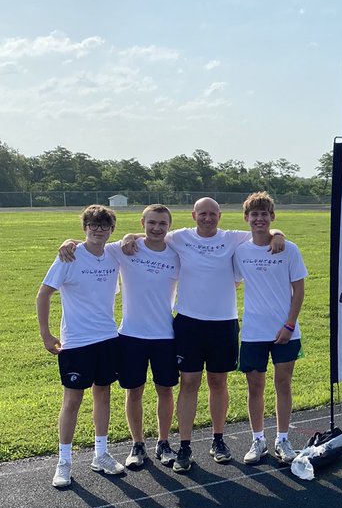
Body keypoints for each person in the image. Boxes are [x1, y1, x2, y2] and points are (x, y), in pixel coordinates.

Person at [120, 197, 283, 472]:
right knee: (189, 383)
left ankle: (218, 440)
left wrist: (279, 234)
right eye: (202, 214)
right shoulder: (180, 237)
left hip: (223, 323)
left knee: (218, 382)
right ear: (194, 215)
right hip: (188, 323)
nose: (207, 218)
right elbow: (152, 232)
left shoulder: (233, 238)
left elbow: (263, 231)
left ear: (220, 216)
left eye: (212, 214)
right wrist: (128, 235)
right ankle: (185, 446)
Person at [58, 203, 181, 469]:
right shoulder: (123, 250)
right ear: (142, 223)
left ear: (169, 227)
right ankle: (137, 445)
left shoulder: (176, 253)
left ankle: (163, 442)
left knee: (165, 391)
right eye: (151, 223)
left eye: (162, 223)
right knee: (133, 392)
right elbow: (94, 244)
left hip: (165, 335)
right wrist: (70, 242)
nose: (156, 228)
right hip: (130, 336)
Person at [36, 204, 125, 489]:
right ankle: (64, 462)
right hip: (76, 341)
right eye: (92, 224)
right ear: (84, 227)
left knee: (103, 395)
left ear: (111, 229)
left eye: (103, 225)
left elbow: (140, 237)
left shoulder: (113, 253)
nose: (97, 229)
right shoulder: (69, 256)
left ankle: (101, 455)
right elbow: (44, 294)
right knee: (72, 400)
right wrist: (46, 335)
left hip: (108, 338)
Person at [233, 192, 307, 466]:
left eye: (265, 214)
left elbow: (299, 290)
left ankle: (283, 439)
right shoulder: (240, 251)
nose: (259, 219)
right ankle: (258, 440)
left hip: (285, 331)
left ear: (272, 217)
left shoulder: (290, 249)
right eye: (254, 214)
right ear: (247, 218)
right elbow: (233, 281)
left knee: (283, 384)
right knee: (255, 387)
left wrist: (289, 324)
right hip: (253, 331)